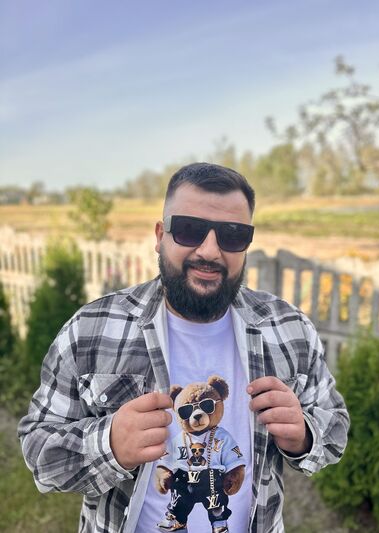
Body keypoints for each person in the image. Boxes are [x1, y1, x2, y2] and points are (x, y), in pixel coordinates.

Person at [18, 162, 349, 533]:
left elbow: (335, 426)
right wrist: (108, 445)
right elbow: (38, 451)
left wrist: (303, 435)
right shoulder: (91, 328)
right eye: (190, 230)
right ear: (160, 235)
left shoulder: (289, 329)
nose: (209, 250)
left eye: (232, 235)